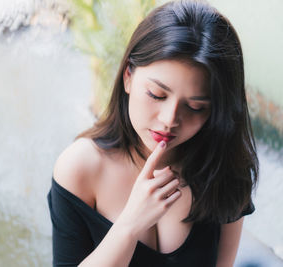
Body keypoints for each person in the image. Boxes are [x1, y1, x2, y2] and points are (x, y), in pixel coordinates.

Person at [47, 0, 258, 266]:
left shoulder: (224, 166)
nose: (170, 120)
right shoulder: (80, 168)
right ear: (128, 77)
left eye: (195, 107)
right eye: (157, 95)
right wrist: (129, 224)